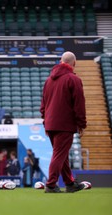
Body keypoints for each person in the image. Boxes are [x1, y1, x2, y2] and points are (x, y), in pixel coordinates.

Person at [40, 51, 87, 193]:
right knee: (59, 154)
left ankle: (70, 183)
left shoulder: (48, 80)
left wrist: (46, 120)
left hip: (50, 123)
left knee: (62, 154)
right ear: (74, 63)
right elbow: (79, 104)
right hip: (64, 124)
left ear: (61, 62)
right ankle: (51, 184)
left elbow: (43, 106)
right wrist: (82, 123)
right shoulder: (74, 79)